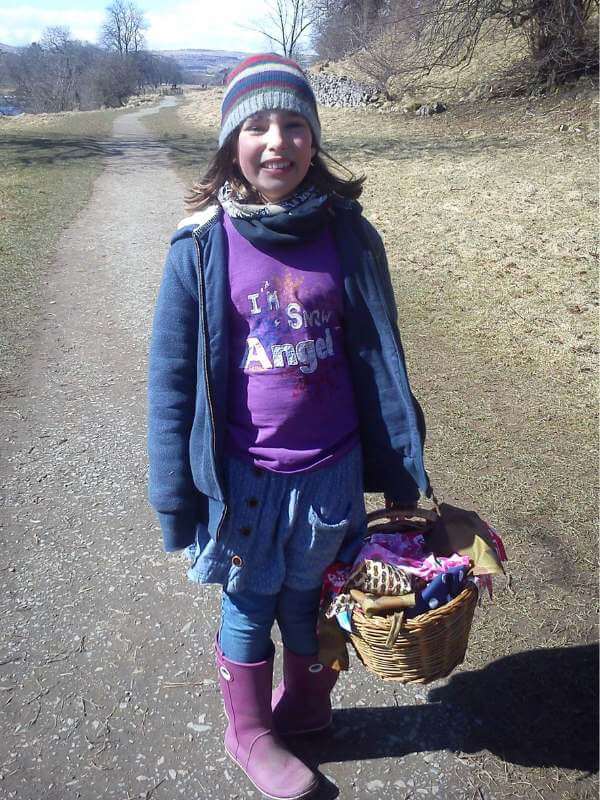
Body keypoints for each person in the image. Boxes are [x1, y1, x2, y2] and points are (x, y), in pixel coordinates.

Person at [147, 53, 432, 800]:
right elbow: (171, 383)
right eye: (258, 126)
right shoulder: (201, 245)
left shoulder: (348, 236)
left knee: (312, 596)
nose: (278, 141)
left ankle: (306, 708)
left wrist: (403, 467)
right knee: (251, 600)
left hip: (331, 470)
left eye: (295, 124)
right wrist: (174, 491)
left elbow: (381, 356)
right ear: (230, 142)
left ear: (314, 139)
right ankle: (249, 732)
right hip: (247, 476)